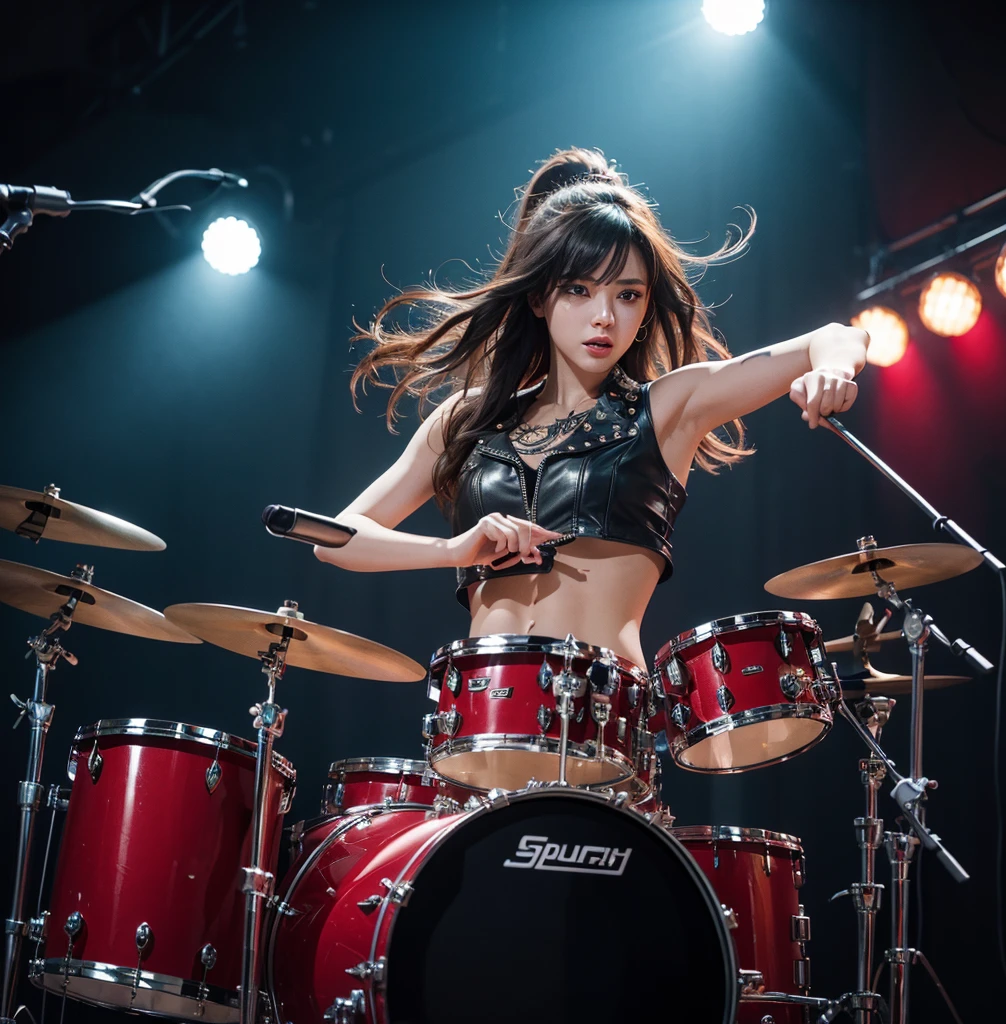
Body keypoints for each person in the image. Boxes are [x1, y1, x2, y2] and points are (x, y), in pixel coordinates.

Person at [315, 148, 868, 670]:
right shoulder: (467, 419)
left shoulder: (668, 407)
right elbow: (334, 539)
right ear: (538, 297)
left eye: (628, 295)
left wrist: (834, 371)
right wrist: (452, 549)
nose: (604, 316)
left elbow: (835, 336)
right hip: (480, 731)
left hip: (600, 731)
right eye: (579, 290)